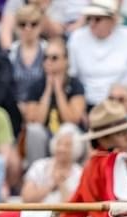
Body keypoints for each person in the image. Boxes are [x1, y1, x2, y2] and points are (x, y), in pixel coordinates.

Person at [66, 0, 127, 113]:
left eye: (98, 19)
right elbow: (72, 78)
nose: (92, 23)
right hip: (88, 106)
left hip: (123, 105)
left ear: (112, 20)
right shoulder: (77, 38)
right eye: (89, 18)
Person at [21, 37, 86, 165]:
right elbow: (34, 121)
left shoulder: (75, 85)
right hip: (45, 137)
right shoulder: (36, 86)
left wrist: (59, 91)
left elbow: (72, 120)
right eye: (45, 57)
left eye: (54, 58)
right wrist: (47, 92)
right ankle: (36, 173)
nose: (49, 61)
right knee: (34, 131)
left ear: (66, 60)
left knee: (68, 128)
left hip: (68, 138)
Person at [20, 122, 84, 202]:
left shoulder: (79, 173)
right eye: (59, 143)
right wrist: (52, 185)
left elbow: (74, 207)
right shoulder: (39, 166)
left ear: (75, 148)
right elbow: (26, 198)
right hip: (38, 213)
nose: (61, 149)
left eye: (67, 145)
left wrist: (61, 185)